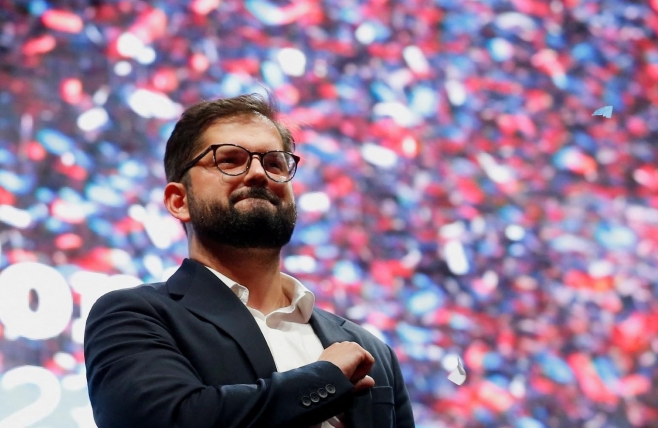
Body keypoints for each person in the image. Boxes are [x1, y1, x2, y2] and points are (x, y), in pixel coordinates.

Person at [84, 93, 415, 428]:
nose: (259, 174)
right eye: (229, 160)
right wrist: (324, 379)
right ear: (179, 201)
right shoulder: (135, 316)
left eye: (275, 163)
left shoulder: (371, 348)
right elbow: (168, 420)